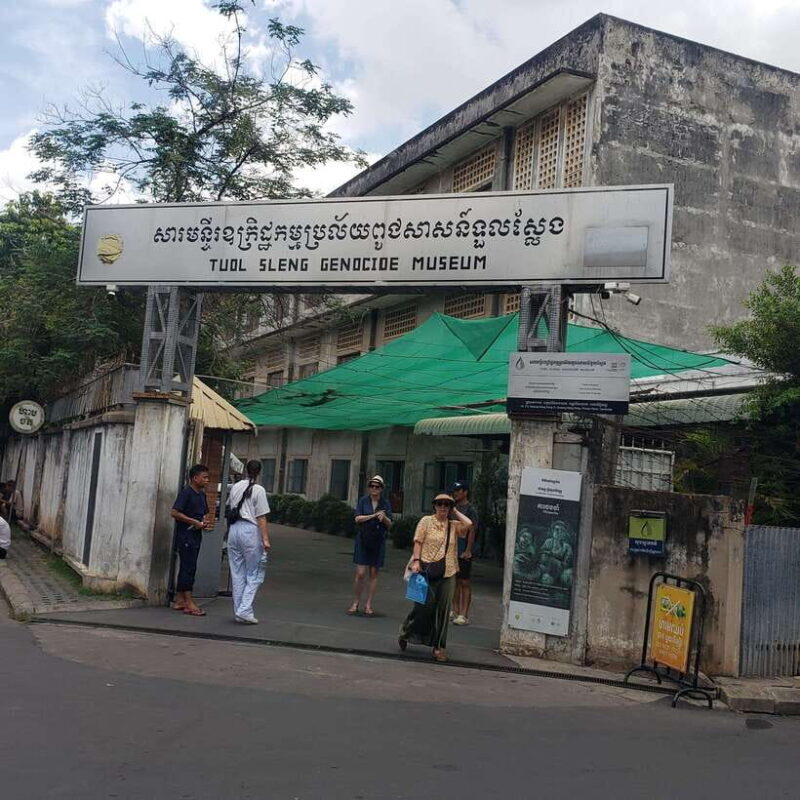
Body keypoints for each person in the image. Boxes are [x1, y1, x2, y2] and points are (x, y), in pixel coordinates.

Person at [398, 492, 473, 663]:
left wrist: (455, 511)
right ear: (434, 506)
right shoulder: (426, 521)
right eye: (440, 504)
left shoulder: (453, 525)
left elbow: (469, 524)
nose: (443, 508)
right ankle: (406, 631)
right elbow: (418, 542)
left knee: (443, 610)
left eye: (447, 505)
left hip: (448, 571)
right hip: (425, 570)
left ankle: (439, 647)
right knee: (424, 607)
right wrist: (416, 561)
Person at [226, 459, 271, 624]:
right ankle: (244, 610)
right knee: (255, 573)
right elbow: (261, 517)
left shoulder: (236, 486)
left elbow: (229, 508)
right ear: (259, 472)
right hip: (250, 531)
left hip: (234, 530)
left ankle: (240, 611)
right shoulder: (259, 490)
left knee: (237, 573)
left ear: (246, 470)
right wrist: (265, 539)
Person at [170, 464, 213, 617]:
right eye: (204, 477)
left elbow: (205, 513)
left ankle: (180, 599)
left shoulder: (201, 495)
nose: (207, 480)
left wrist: (204, 522)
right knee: (188, 567)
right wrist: (192, 522)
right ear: (195, 478)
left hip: (196, 535)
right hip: (186, 535)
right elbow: (174, 512)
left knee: (190, 566)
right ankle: (188, 602)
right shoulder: (186, 493)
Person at [348, 475, 393, 617]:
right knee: (360, 573)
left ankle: (368, 604)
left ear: (381, 489)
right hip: (363, 538)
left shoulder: (385, 503)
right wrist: (373, 516)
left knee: (374, 573)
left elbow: (390, 523)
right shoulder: (363, 501)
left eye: (377, 487)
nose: (374, 489)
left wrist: (383, 518)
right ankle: (356, 602)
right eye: (372, 486)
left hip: (378, 540)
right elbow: (357, 518)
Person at [450, 481, 479, 626]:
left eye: (458, 490)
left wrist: (468, 550)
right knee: (453, 580)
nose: (455, 493)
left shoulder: (470, 509)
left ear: (465, 492)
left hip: (463, 549)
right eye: (454, 490)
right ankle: (454, 610)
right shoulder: (452, 508)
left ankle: (463, 614)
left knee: (464, 581)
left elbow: (472, 530)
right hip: (452, 548)